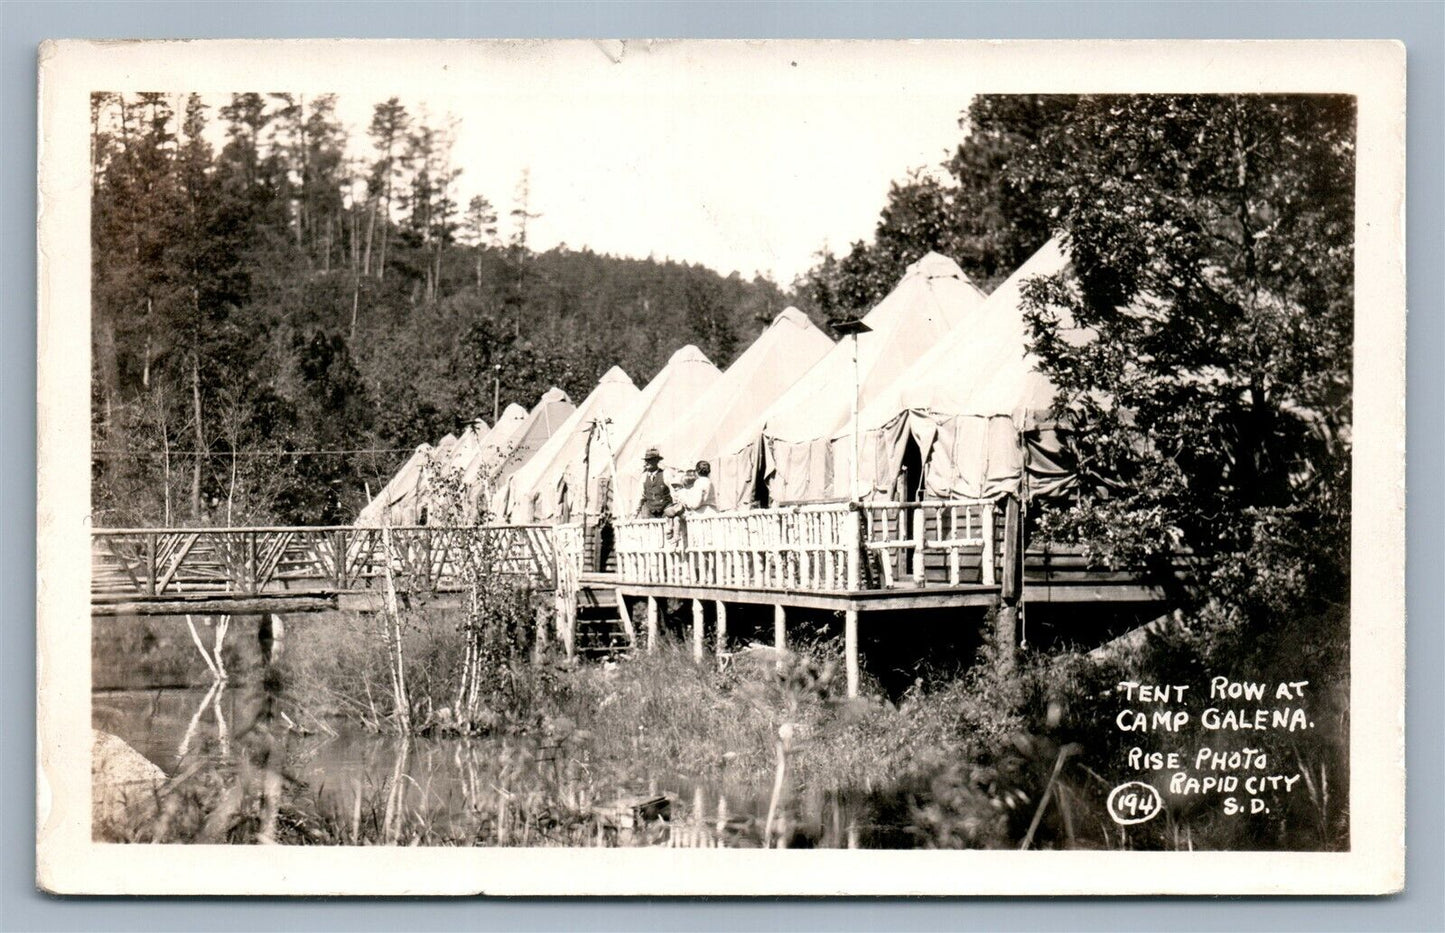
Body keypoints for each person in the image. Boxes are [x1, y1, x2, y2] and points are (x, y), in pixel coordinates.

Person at [637, 447, 672, 518]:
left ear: (656, 461)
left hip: (665, 511)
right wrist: (636, 512)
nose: (646, 463)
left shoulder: (666, 474)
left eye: (649, 460)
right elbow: (640, 496)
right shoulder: (643, 477)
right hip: (650, 512)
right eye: (645, 460)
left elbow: (674, 493)